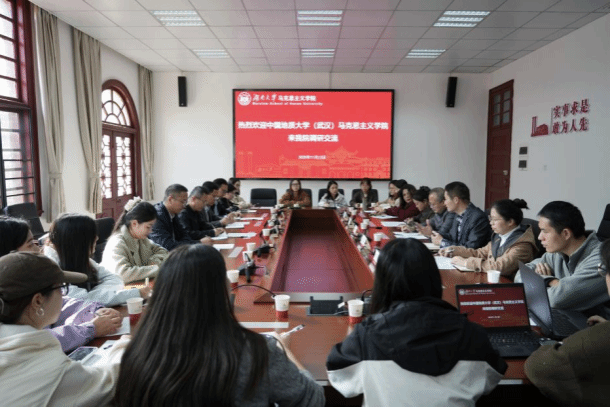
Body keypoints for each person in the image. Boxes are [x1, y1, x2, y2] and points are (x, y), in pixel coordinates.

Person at [114, 244, 325, 406]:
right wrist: (286, 352)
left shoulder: (136, 353)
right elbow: (313, 400)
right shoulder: (257, 352)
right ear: (220, 292)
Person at [326, 239, 507, 406]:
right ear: (434, 279)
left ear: (382, 284)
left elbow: (340, 379)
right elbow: (491, 378)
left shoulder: (367, 336)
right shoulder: (472, 335)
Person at [0, 252, 129, 406]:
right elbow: (109, 382)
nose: (63, 295)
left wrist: (95, 310)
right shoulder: (42, 363)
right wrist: (125, 345)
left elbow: (68, 303)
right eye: (62, 288)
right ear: (38, 301)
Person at [1, 217, 122, 353]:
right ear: (10, 255)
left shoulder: (29, 279)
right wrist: (90, 329)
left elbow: (63, 303)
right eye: (30, 244)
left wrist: (94, 310)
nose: (38, 249)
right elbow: (35, 341)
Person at [524, 238, 610, 406]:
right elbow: (524, 273)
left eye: (604, 270)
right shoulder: (553, 254)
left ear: (565, 233)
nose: (540, 237)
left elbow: (537, 367)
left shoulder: (601, 338)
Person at [515, 201, 609, 316]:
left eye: (545, 231)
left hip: (593, 322)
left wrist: (544, 281)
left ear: (566, 234)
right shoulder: (557, 252)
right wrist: (552, 282)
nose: (539, 237)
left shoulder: (601, 259)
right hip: (566, 315)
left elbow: (556, 299)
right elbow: (521, 274)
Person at [43, 214, 148, 306]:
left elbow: (114, 278)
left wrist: (96, 294)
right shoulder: (50, 269)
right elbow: (82, 300)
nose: (97, 238)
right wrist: (135, 293)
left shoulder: (71, 255)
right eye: (92, 235)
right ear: (77, 241)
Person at [440, 199, 537, 277]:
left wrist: (465, 262)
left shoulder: (523, 244)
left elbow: (499, 267)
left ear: (510, 222)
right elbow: (480, 253)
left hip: (509, 287)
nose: (491, 222)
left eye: (495, 219)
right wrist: (454, 250)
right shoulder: (499, 236)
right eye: (490, 218)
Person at [101, 198, 170, 284]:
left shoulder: (141, 238)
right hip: (116, 288)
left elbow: (163, 251)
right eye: (148, 227)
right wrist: (156, 268)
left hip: (135, 286)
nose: (151, 231)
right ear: (134, 223)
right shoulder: (117, 243)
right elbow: (123, 274)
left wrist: (153, 261)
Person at [149, 184, 209, 251]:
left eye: (185, 202)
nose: (184, 206)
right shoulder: (156, 216)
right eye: (182, 202)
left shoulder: (173, 213)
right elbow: (168, 245)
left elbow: (184, 235)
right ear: (170, 199)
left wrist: (192, 243)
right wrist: (198, 243)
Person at [432, 181, 491, 249]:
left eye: (446, 199)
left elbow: (471, 248)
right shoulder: (457, 214)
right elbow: (453, 238)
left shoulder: (477, 217)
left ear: (456, 200)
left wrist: (442, 242)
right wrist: (435, 236)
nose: (445, 203)